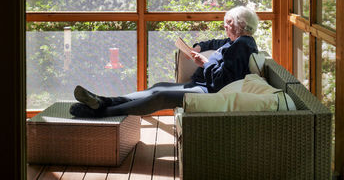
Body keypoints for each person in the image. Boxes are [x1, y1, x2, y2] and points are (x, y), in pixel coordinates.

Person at [69, 6, 259, 118]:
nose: (224, 26)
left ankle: (101, 111)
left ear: (240, 24)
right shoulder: (236, 41)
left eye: (228, 23)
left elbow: (222, 81)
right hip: (200, 85)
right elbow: (216, 43)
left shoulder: (242, 45)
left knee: (160, 96)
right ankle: (104, 101)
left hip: (209, 93)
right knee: (157, 87)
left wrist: (205, 62)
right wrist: (199, 46)